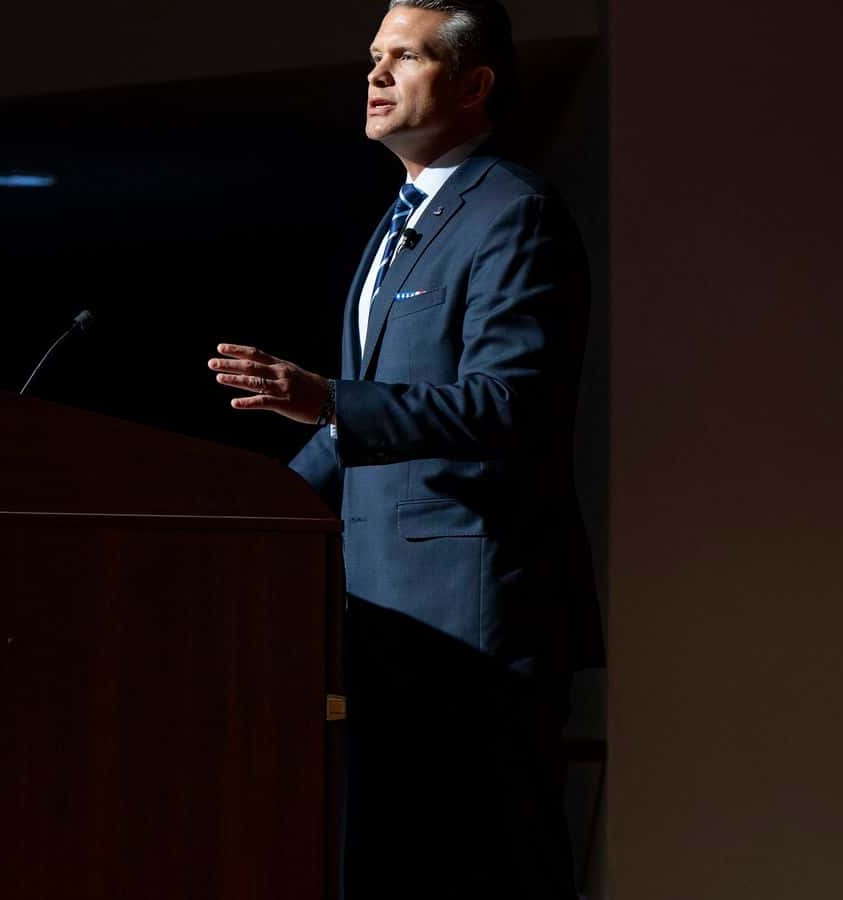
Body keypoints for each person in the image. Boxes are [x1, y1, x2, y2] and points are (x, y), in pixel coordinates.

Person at [208, 2, 603, 896]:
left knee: (488, 870)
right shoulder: (402, 218)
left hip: (474, 620)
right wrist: (246, 509)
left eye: (405, 58)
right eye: (374, 58)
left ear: (472, 84)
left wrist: (328, 402)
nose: (377, 76)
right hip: (380, 617)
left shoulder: (512, 213)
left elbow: (509, 403)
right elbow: (358, 438)